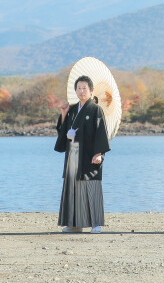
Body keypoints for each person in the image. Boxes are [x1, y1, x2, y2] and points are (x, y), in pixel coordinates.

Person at [54, 75, 110, 233]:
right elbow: (63, 131)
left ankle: (96, 223)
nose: (81, 91)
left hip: (89, 152)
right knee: (72, 186)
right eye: (79, 88)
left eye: (85, 88)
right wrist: (64, 113)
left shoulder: (95, 109)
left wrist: (99, 152)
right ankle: (74, 224)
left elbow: (101, 132)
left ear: (91, 91)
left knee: (91, 185)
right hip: (73, 152)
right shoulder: (72, 109)